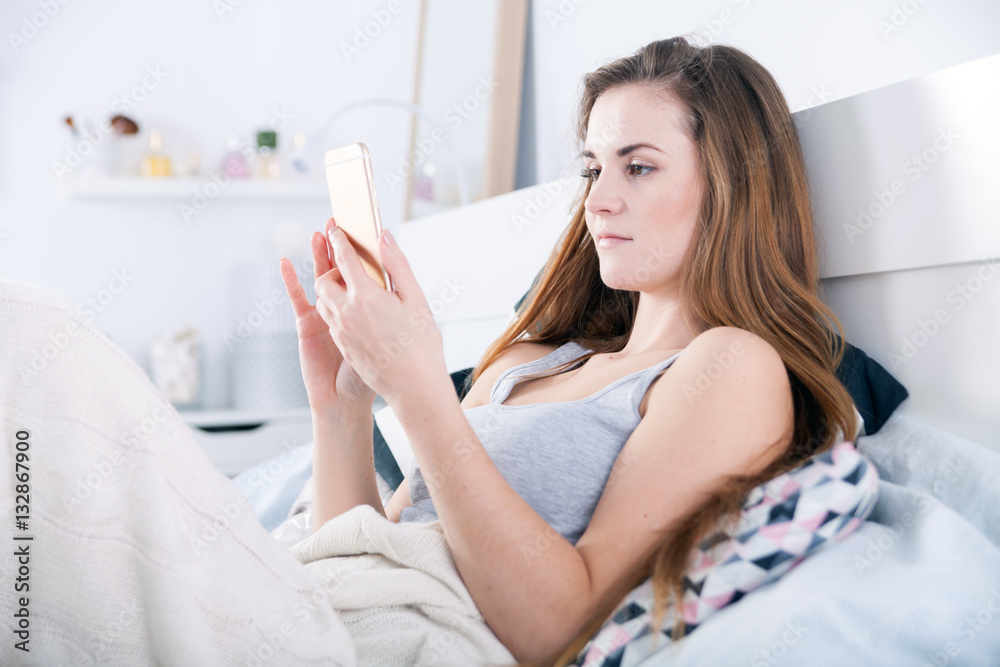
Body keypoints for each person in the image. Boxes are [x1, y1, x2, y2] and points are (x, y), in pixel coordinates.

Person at [276, 35, 858, 666]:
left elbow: (561, 626)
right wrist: (342, 407)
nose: (596, 200)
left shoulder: (728, 368)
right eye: (592, 169)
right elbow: (367, 551)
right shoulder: (523, 363)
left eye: (638, 167)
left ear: (731, 184)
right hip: (324, 612)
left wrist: (416, 388)